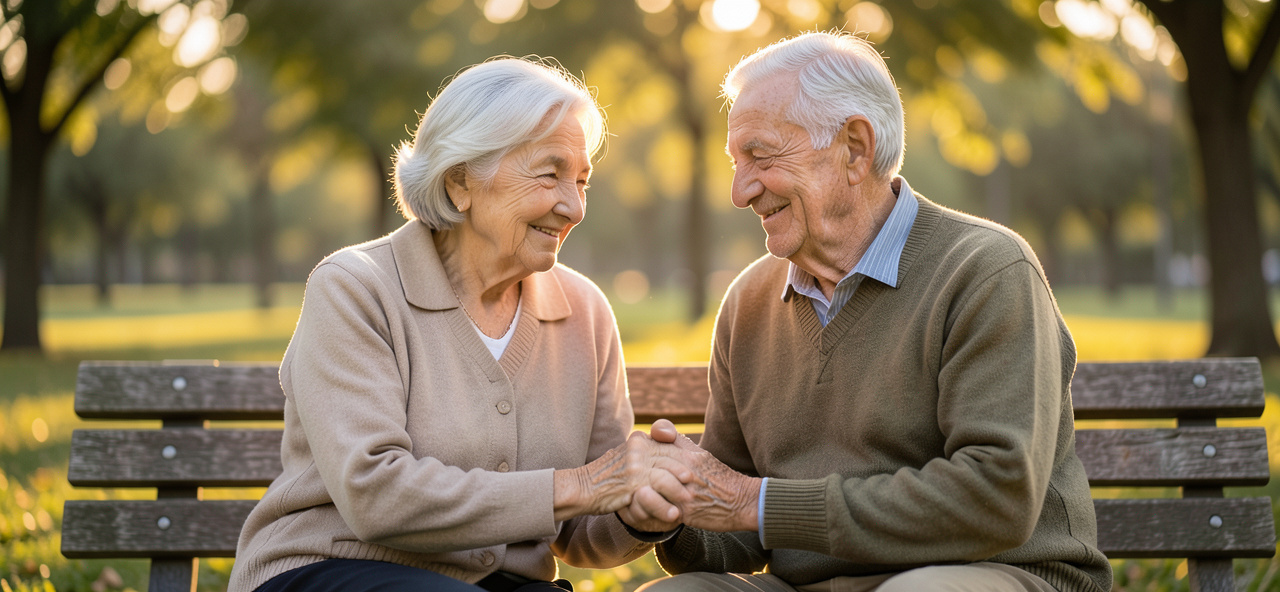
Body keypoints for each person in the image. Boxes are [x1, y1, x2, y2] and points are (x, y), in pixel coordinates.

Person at [623, 32, 1113, 592]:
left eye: (759, 156)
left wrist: (754, 502)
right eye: (735, 163)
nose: (740, 192)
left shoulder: (986, 270)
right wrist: (672, 509)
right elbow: (739, 529)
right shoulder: (748, 303)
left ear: (854, 148)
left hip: (999, 573)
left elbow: (995, 498)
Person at [228, 57, 689, 592]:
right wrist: (584, 485)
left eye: (582, 180)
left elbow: (585, 533)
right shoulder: (356, 287)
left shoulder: (584, 312)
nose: (573, 206)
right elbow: (376, 495)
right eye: (550, 174)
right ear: (459, 183)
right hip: (326, 570)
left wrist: (642, 507)